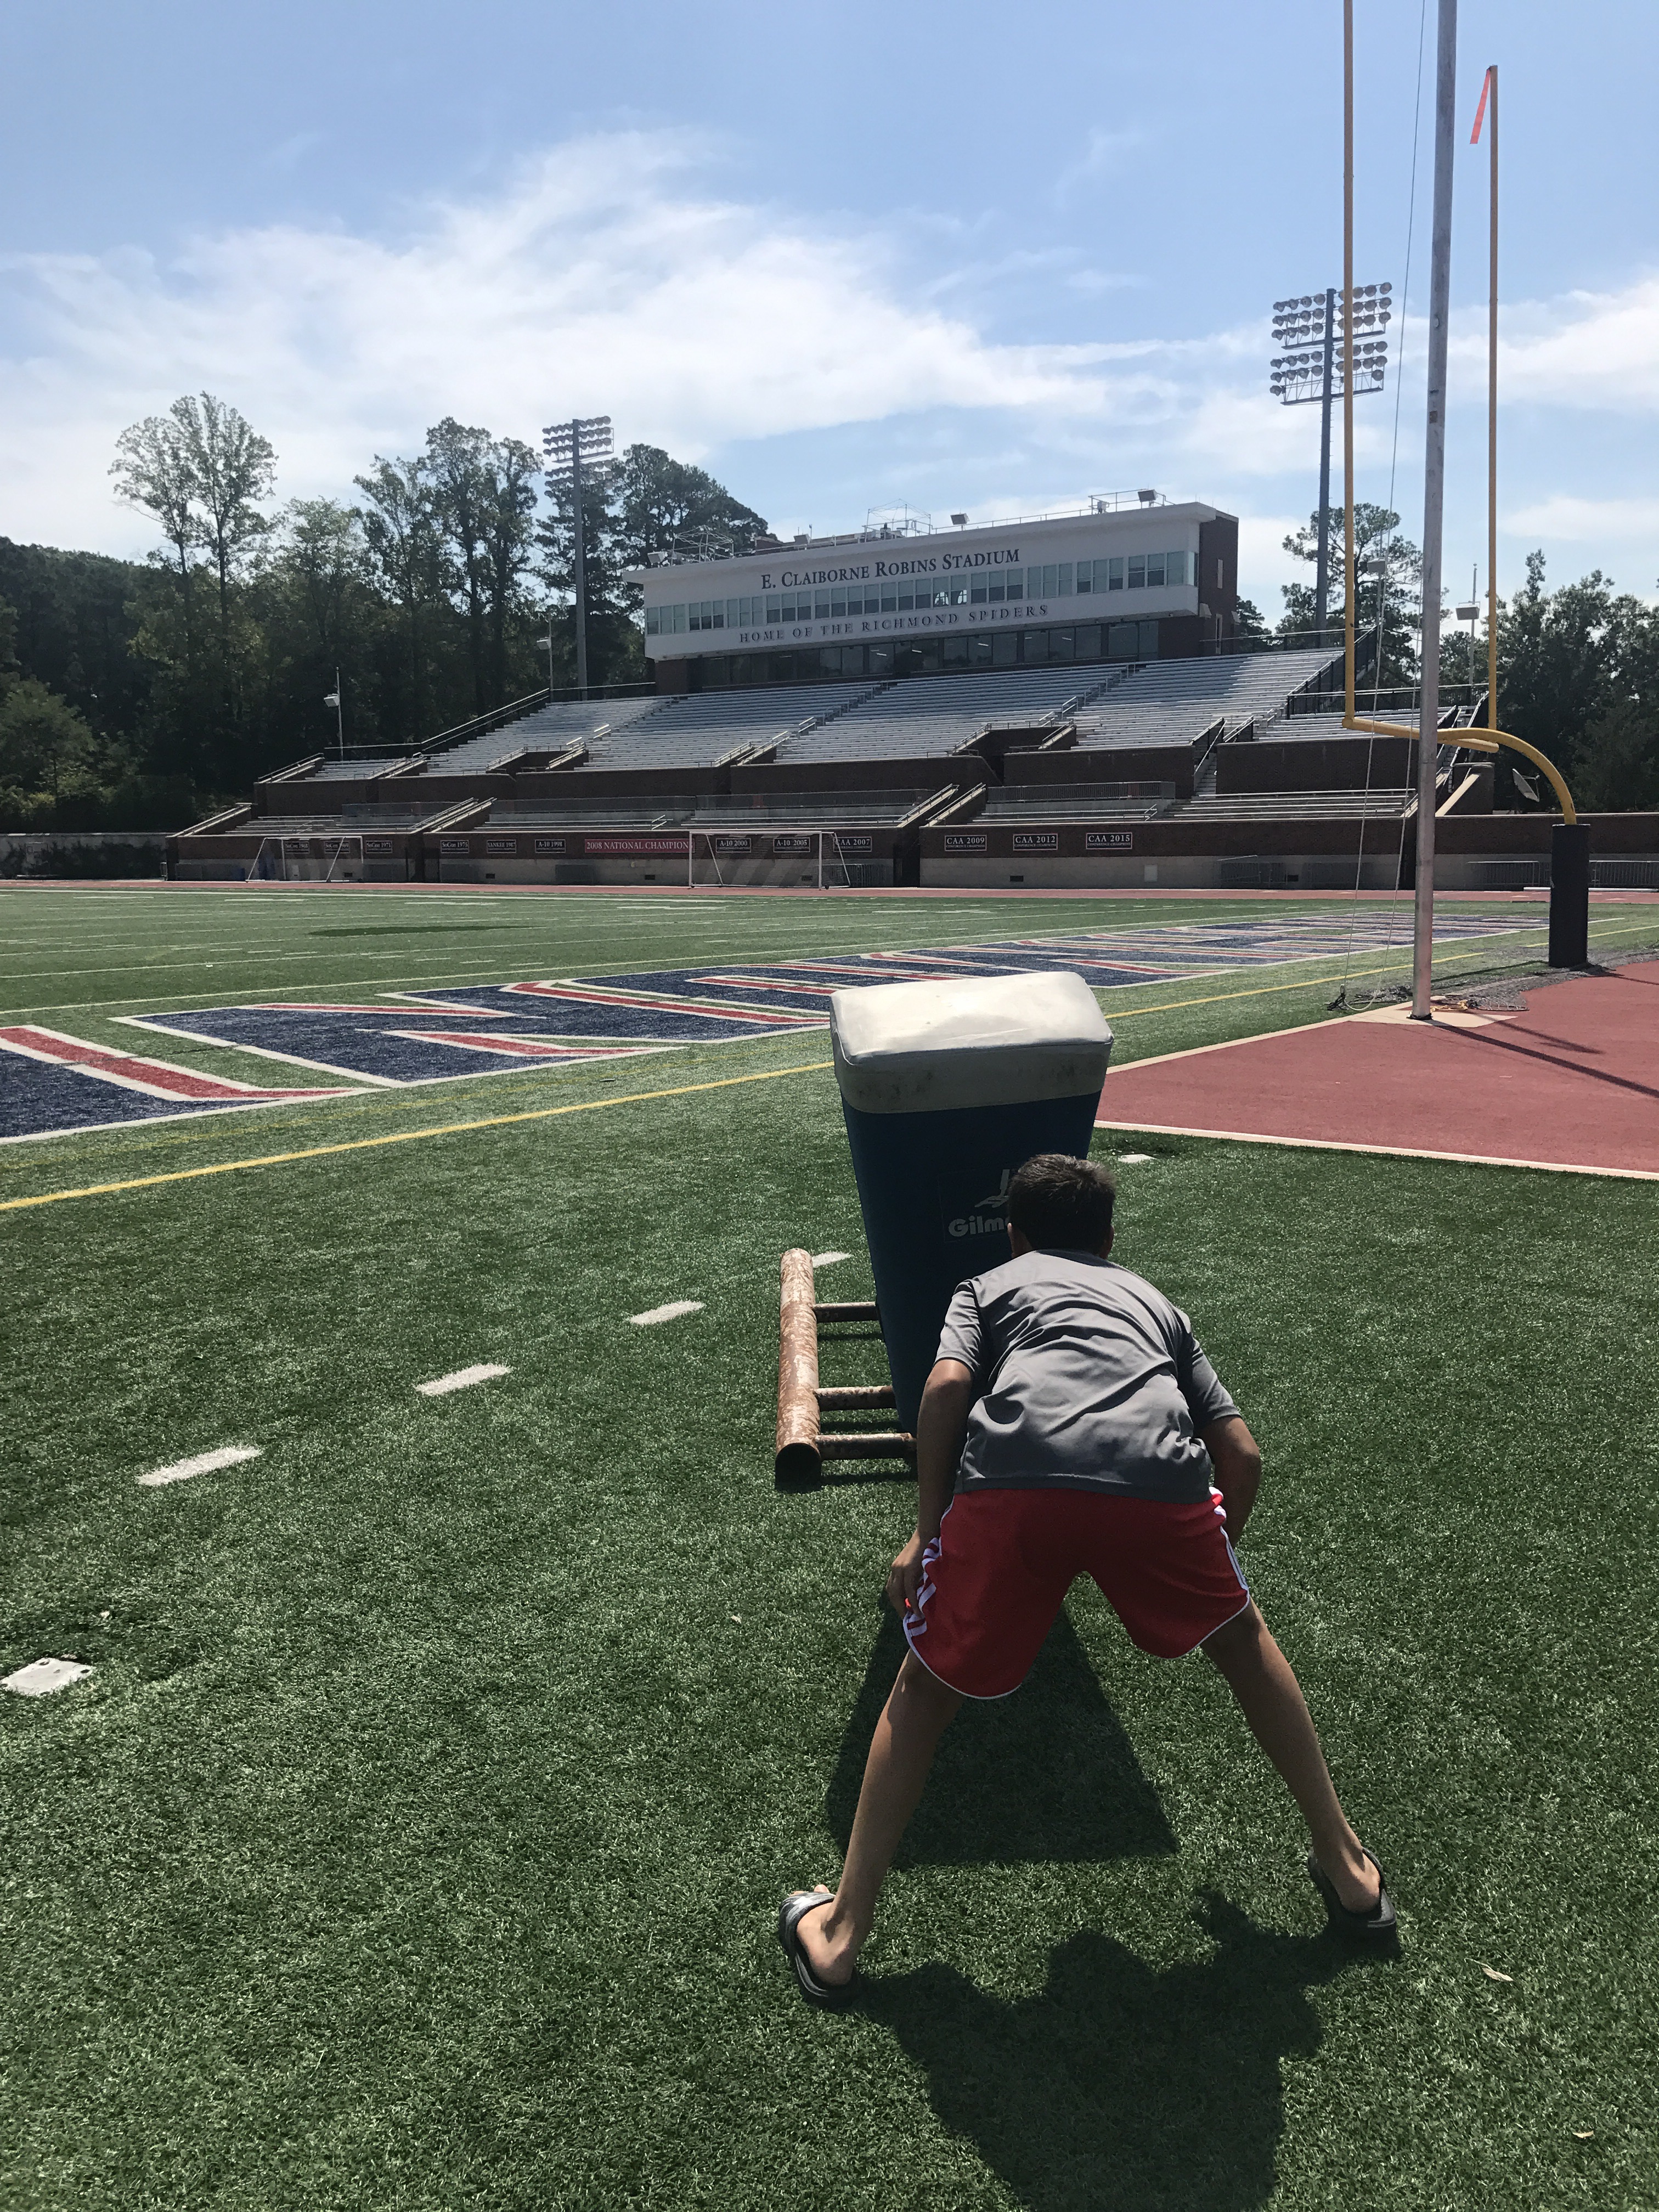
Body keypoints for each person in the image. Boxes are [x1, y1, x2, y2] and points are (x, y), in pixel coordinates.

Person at [780, 1152, 1395, 2006]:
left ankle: (840, 1936)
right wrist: (1208, 1561)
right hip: (1157, 1483)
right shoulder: (1156, 1303)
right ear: (1108, 1238)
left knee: (923, 1689)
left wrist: (926, 1532)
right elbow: (1243, 1455)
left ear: (1014, 1235)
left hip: (1014, 1484)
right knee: (1243, 1642)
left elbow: (946, 1387)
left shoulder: (987, 1287)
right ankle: (1350, 1871)